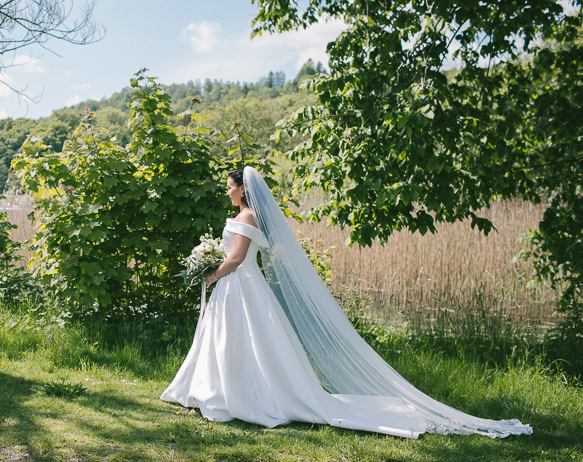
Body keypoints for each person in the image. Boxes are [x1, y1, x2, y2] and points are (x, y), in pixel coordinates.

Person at [161, 167, 532, 438]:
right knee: (237, 341)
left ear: (243, 190)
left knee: (242, 340)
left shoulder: (248, 215)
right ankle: (222, 390)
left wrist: (211, 274)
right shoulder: (249, 214)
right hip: (241, 288)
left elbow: (238, 258)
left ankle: (240, 396)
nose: (227, 192)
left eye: (230, 188)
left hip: (239, 284)